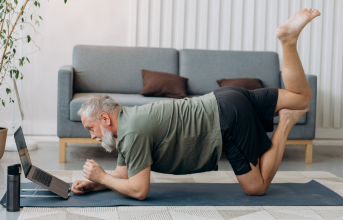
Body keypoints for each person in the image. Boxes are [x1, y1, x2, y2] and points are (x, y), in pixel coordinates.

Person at [71, 8, 321, 200]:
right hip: (224, 97)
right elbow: (123, 176)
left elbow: (138, 190)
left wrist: (101, 175)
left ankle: (286, 122)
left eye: (90, 128)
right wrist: (96, 184)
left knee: (256, 187)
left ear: (105, 119)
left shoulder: (132, 133)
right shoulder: (128, 123)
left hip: (226, 122)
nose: (91, 135)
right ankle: (288, 41)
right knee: (301, 97)